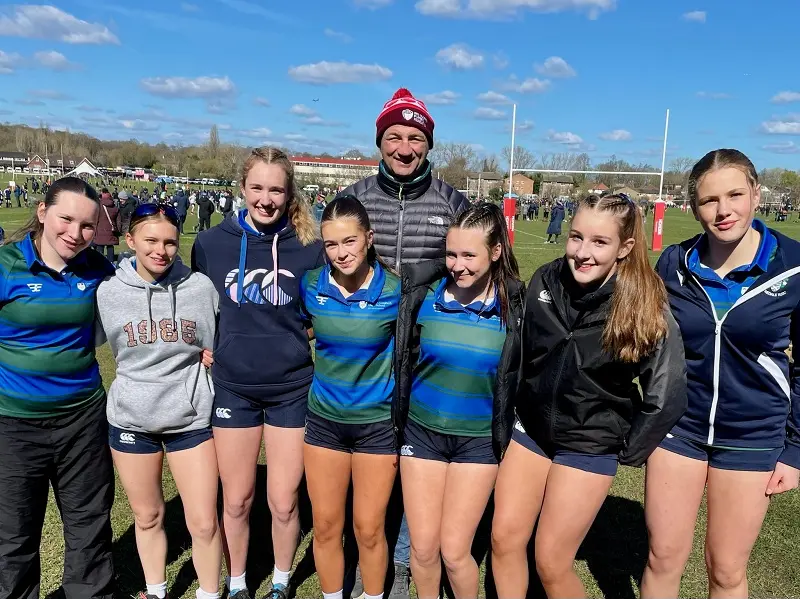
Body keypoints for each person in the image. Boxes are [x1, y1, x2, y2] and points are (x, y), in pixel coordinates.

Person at [491, 193, 687, 599]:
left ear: (625, 247)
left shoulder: (644, 304)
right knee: (504, 540)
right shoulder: (546, 279)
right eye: (576, 237)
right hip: (531, 431)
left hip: (589, 441)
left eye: (599, 242)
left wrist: (627, 447)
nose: (582, 252)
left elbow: (666, 391)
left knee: (550, 562)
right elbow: (521, 354)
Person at [641, 149, 800, 599]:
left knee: (726, 570)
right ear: (694, 207)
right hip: (679, 429)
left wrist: (794, 451)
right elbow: (648, 341)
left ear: (756, 194)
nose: (723, 210)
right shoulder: (674, 262)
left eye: (734, 195)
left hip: (753, 434)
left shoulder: (793, 266)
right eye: (709, 200)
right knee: (662, 557)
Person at [338, 87, 470, 598]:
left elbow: (482, 268)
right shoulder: (354, 197)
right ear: (380, 141)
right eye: (394, 136)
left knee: (419, 458)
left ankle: (402, 560)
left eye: (416, 138)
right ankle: (368, 551)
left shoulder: (452, 202)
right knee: (372, 457)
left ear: (429, 145)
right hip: (365, 354)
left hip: (428, 352)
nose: (404, 147)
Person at [192, 147, 324, 599]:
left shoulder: (310, 248)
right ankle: (237, 583)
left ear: (290, 194)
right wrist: (208, 345)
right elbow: (200, 305)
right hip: (233, 387)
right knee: (236, 499)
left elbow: (317, 314)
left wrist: (291, 339)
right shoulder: (211, 244)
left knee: (284, 501)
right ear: (242, 188)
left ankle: (282, 581)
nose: (266, 199)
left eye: (276, 190)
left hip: (291, 388)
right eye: (257, 188)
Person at [395, 203, 524, 599]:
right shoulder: (423, 294)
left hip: (478, 442)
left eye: (469, 255)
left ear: (496, 251)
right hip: (422, 435)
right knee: (422, 549)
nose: (457, 265)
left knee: (453, 553)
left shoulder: (515, 306)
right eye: (451, 254)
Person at [95, 202, 221, 599]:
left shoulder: (200, 288)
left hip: (190, 417)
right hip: (132, 420)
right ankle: (156, 590)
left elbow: (218, 341)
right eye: (150, 240)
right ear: (130, 240)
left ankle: (209, 593)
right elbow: (84, 340)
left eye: (169, 242)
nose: (161, 251)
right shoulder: (108, 292)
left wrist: (212, 356)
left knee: (204, 522)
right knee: (147, 515)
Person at [0, 177, 116, 598]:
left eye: (87, 226)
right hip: (13, 424)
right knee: (13, 533)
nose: (76, 233)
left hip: (82, 422)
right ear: (43, 212)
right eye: (66, 219)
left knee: (89, 525)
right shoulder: (7, 265)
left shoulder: (99, 269)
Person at [300, 195, 401, 599]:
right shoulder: (311, 284)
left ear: (369, 239)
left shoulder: (395, 291)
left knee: (369, 529)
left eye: (349, 241)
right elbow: (294, 331)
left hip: (376, 427)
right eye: (331, 244)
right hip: (324, 424)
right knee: (326, 527)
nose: (340, 253)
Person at [94, 188, 119, 262]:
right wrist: (118, 230)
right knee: (110, 247)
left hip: (100, 230)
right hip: (111, 230)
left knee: (100, 247)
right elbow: (118, 220)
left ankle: (99, 263)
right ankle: (111, 262)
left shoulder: (98, 206)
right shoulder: (115, 207)